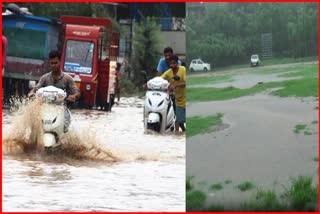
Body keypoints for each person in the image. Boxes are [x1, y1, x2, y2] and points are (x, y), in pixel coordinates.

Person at [28, 50, 80, 132]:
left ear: (60, 62)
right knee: (33, 122)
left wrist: (74, 96)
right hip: (45, 108)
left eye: (55, 63)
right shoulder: (45, 78)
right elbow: (36, 88)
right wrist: (31, 93)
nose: (53, 65)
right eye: (51, 63)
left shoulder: (67, 78)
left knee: (66, 126)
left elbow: (76, 91)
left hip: (61, 109)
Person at [161, 55, 186, 132]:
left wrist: (176, 85)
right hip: (179, 100)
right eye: (171, 64)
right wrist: (149, 83)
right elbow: (160, 78)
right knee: (179, 120)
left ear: (177, 63)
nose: (172, 65)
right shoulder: (168, 73)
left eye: (174, 63)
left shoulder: (183, 69)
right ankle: (178, 135)